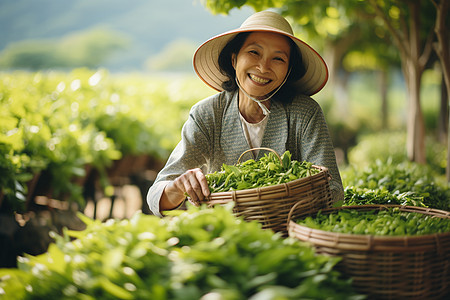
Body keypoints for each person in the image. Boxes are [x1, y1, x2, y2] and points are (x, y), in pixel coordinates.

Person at [147, 10, 343, 217]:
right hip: (225, 233)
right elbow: (156, 195)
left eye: (278, 59)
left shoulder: (304, 113)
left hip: (292, 230)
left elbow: (334, 190)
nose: (263, 67)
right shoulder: (208, 114)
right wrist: (178, 188)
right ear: (234, 59)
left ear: (288, 71)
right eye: (254, 52)